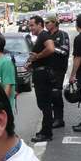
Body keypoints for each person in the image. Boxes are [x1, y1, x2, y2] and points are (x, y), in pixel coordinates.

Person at [27, 15, 56, 143]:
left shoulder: (44, 35)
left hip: (43, 75)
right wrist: (31, 63)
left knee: (45, 105)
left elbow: (50, 49)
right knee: (43, 104)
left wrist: (37, 57)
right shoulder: (40, 37)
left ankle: (47, 133)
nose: (30, 27)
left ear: (40, 24)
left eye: (32, 25)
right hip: (40, 74)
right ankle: (45, 130)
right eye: (29, 25)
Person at [46, 16, 70, 128]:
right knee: (49, 94)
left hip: (59, 69)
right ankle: (51, 117)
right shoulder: (46, 36)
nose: (46, 24)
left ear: (54, 23)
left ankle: (59, 119)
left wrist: (51, 48)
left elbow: (65, 51)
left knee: (56, 93)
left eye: (48, 22)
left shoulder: (62, 34)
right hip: (48, 69)